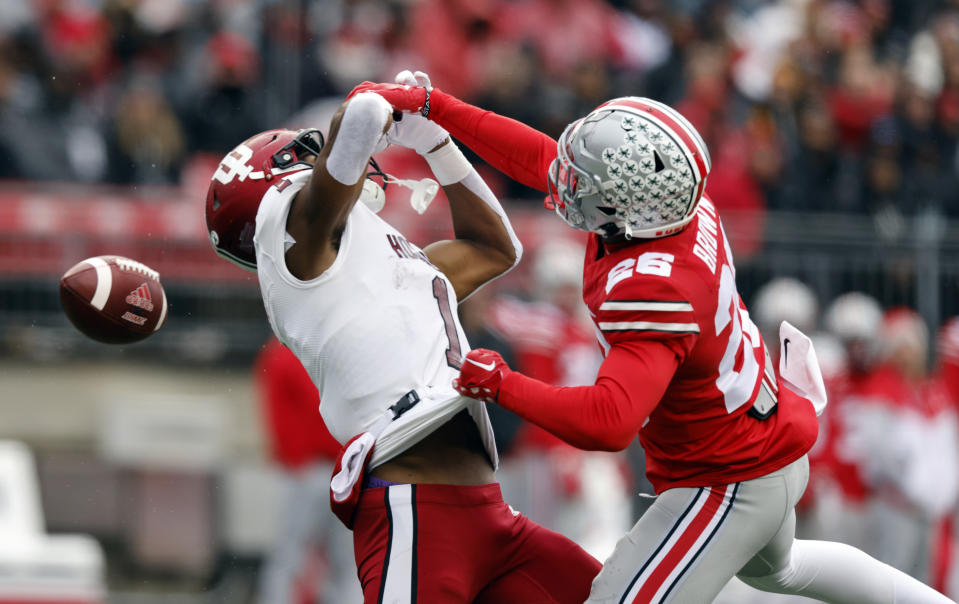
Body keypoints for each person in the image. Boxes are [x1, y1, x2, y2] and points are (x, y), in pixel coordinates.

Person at [352, 73, 956, 603]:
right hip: (765, 442)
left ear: (626, 208)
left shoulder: (652, 286)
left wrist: (502, 385)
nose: (565, 184)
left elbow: (610, 421)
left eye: (584, 183)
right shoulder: (674, 208)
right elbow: (543, 159)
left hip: (725, 482)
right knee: (785, 571)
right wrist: (435, 105)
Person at [204, 89, 600, 603]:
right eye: (306, 157)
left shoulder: (379, 266)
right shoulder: (296, 246)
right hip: (414, 510)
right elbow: (365, 112)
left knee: (618, 592)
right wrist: (409, 105)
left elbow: (499, 248)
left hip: (487, 509)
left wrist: (435, 141)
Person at [253, 337, 362, 604]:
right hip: (308, 470)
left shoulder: (335, 350)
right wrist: (296, 462)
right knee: (291, 554)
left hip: (342, 469)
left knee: (347, 558)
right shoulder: (284, 353)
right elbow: (277, 411)